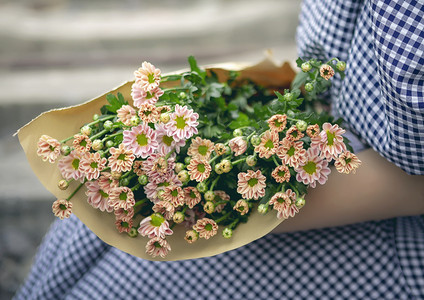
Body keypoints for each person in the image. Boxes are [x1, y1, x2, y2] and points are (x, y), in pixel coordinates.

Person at [15, 0, 424, 299]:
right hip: (318, 136)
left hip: (393, 219)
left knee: (109, 286)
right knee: (77, 235)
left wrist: (213, 203)